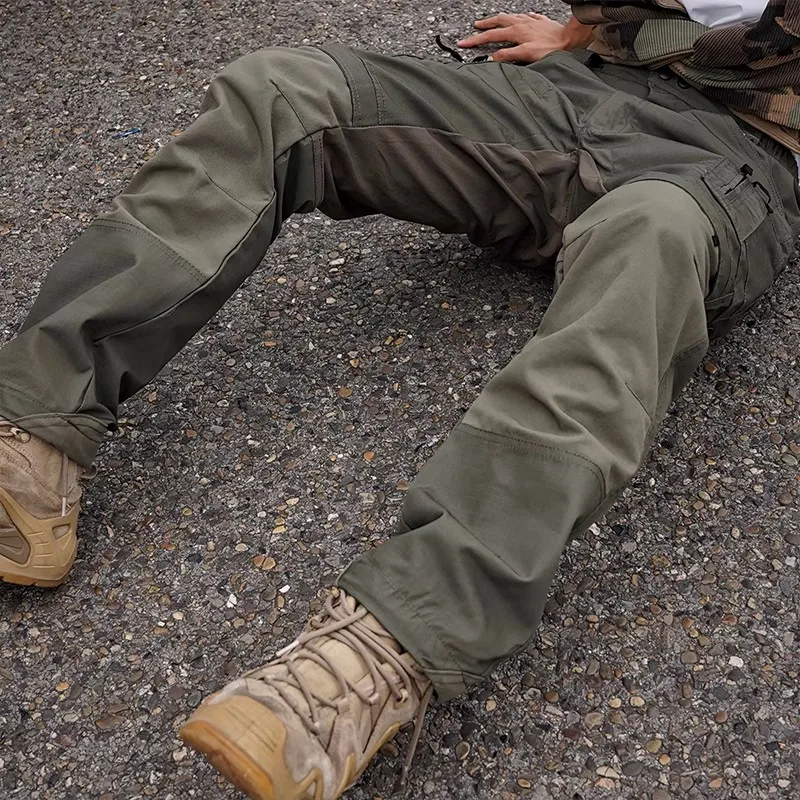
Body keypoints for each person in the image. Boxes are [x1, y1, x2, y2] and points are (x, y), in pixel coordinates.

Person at [1, 2, 798, 798]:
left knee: (649, 240)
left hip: (741, 151)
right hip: (588, 90)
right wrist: (591, 33)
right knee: (284, 90)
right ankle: (36, 419)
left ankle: (390, 643)